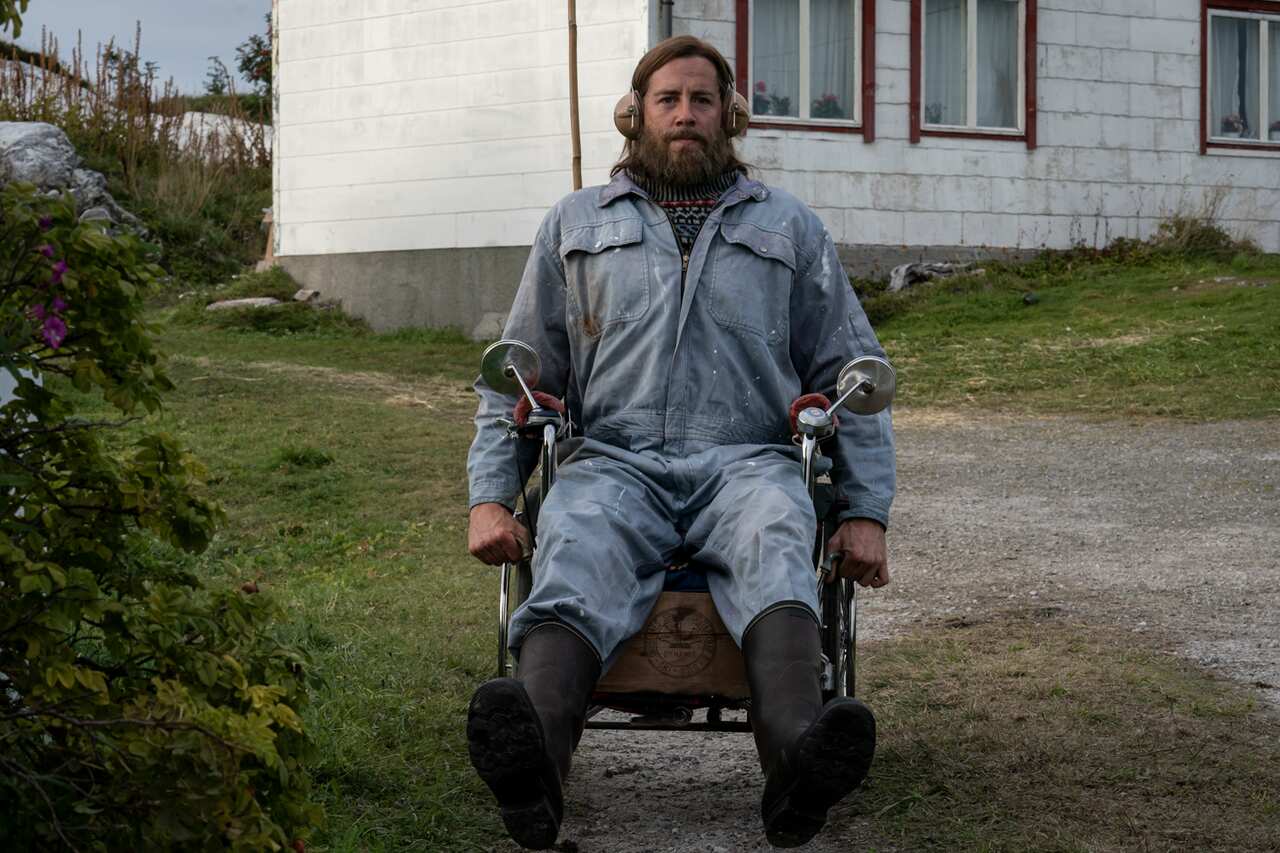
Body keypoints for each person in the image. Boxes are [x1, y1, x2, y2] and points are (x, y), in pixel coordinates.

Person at [464, 36, 895, 850]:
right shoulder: (575, 223)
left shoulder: (790, 227)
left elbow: (855, 371)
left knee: (778, 536)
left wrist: (863, 509)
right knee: (574, 541)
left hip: (750, 461)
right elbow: (515, 375)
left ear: (729, 116)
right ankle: (532, 775)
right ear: (637, 115)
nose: (686, 115)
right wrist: (492, 495)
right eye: (668, 100)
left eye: (702, 100)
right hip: (613, 460)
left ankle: (800, 769)